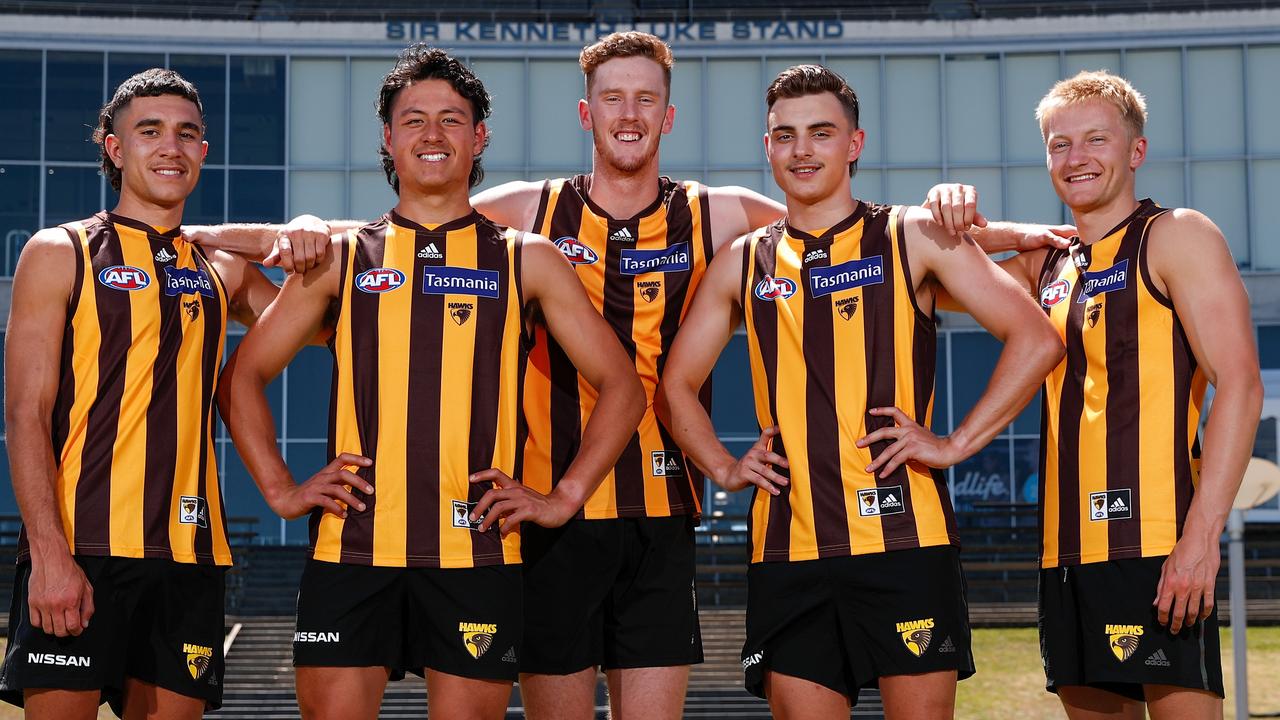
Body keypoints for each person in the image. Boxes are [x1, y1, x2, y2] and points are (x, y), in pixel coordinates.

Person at [216, 44, 645, 720]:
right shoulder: (343, 258)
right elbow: (243, 376)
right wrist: (280, 489)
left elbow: (624, 387)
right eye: (413, 119)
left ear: (479, 137)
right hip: (351, 551)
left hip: (476, 555)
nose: (432, 134)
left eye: (451, 118)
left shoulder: (525, 258)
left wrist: (562, 498)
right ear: (388, 138)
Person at [656, 64, 1064, 720]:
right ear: (768, 148)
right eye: (784, 135)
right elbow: (675, 385)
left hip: (906, 547)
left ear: (855, 144)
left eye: (821, 133)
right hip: (786, 551)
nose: (801, 149)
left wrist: (953, 443)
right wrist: (725, 467)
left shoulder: (913, 234)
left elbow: (1037, 339)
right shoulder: (743, 259)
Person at [927, 70, 1262, 719]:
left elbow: (1242, 387)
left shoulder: (1177, 235)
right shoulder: (1045, 264)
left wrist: (1200, 540)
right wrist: (989, 226)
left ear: (1135, 151)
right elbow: (922, 280)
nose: (1075, 158)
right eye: (1059, 145)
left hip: (1157, 545)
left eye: (1095, 140)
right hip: (1066, 553)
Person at [0, 68, 322, 720]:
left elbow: (324, 331)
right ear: (115, 149)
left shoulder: (221, 269)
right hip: (82, 550)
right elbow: (25, 416)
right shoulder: (59, 251)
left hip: (189, 556)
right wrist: (49, 558)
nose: (170, 146)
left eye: (187, 134)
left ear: (203, 152)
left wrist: (291, 232)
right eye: (150, 132)